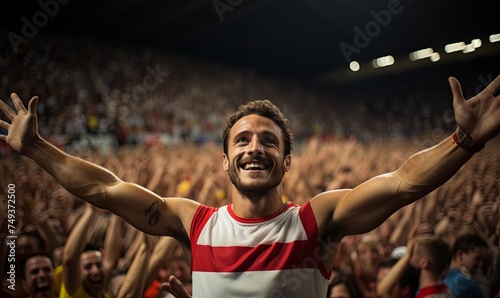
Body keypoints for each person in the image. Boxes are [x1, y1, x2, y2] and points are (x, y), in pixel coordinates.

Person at [0, 74, 499, 297]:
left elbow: (400, 185)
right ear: (224, 161)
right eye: (241, 140)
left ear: (286, 160)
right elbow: (105, 191)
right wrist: (39, 149)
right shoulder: (191, 221)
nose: (253, 147)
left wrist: (464, 140)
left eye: (267, 140)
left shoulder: (316, 220)